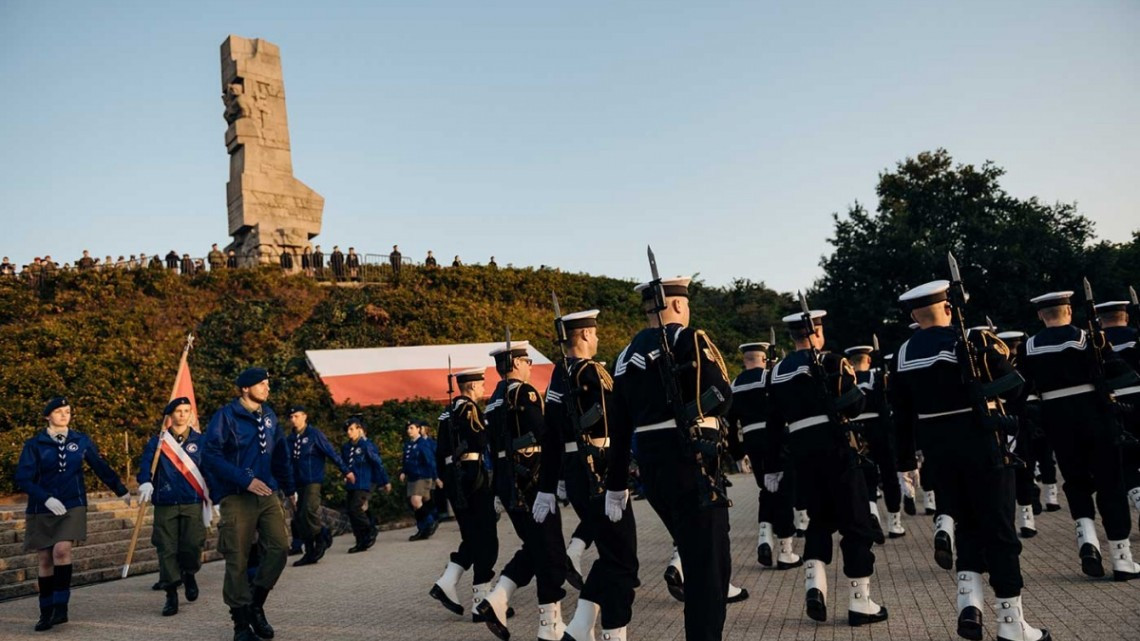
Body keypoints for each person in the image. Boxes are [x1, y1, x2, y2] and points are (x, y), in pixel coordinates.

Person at [892, 280, 1048, 641]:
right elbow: (1014, 387)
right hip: (982, 444)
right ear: (949, 308)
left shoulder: (902, 355)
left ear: (914, 314)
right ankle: (1011, 623)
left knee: (967, 527)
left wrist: (905, 463)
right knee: (999, 531)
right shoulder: (970, 340)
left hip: (938, 453)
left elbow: (900, 415)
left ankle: (969, 606)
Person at [606, 275, 733, 641]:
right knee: (710, 570)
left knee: (697, 558)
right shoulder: (687, 338)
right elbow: (722, 394)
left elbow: (619, 426)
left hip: (653, 469)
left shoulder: (623, 358)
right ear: (677, 304)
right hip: (692, 462)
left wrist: (616, 484)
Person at [765, 309, 887, 628]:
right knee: (855, 523)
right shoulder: (831, 361)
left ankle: (814, 586)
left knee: (819, 521)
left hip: (802, 454)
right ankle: (860, 602)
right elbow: (855, 405)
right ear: (817, 332)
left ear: (793, 336)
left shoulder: (776, 372)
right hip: (837, 448)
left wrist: (773, 465)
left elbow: (773, 424)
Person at [1019, 290, 1140, 580]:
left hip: (1058, 422)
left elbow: (1023, 391)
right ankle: (1122, 559)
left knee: (1075, 482)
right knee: (1110, 484)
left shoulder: (1028, 347)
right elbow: (1123, 374)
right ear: (1069, 311)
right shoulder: (1091, 338)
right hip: (1096, 417)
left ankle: (1087, 539)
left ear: (1040, 315)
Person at [544, 310, 640, 641]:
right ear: (585, 335)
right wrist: (618, 481)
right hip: (600, 471)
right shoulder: (592, 372)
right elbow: (617, 425)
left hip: (575, 472)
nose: (597, 338)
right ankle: (613, 633)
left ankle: (579, 628)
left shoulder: (558, 375)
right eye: (594, 333)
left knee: (611, 555)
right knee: (624, 562)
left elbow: (550, 436)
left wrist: (548, 485)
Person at [476, 339, 568, 641]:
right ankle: (550, 624)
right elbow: (544, 434)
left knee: (536, 545)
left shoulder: (494, 399)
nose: (530, 366)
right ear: (516, 363)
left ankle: (498, 597)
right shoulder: (523, 393)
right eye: (527, 361)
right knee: (551, 549)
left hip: (507, 481)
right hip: (530, 479)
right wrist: (558, 476)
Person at [15, 396, 131, 631]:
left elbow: (99, 466)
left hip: (72, 504)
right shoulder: (34, 444)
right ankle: (45, 611)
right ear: (47, 416)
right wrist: (45, 498)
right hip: (41, 507)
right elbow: (22, 478)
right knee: (45, 559)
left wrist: (120, 489)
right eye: (59, 411)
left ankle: (61, 607)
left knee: (61, 550)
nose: (64, 415)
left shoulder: (80, 440)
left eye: (67, 411)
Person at [201, 367, 295, 641]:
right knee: (237, 559)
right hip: (237, 495)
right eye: (261, 384)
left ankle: (255, 604)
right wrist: (244, 479)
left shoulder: (269, 416)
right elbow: (210, 455)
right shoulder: (226, 416)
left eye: (268, 383)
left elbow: (280, 455)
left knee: (279, 548)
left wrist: (290, 488)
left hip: (267, 493)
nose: (267, 388)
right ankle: (241, 625)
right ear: (245, 388)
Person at [430, 367, 503, 619]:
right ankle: (481, 601)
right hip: (471, 475)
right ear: (471, 386)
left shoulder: (446, 412)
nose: (483, 389)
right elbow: (480, 440)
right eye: (481, 384)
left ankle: (448, 581)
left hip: (454, 477)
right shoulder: (468, 408)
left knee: (472, 535)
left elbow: (439, 452)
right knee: (487, 537)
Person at [726, 342, 803, 570]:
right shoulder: (771, 377)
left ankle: (764, 537)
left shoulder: (734, 384)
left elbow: (730, 426)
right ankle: (785, 551)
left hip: (751, 441)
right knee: (784, 492)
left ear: (745, 360)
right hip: (776, 438)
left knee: (767, 489)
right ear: (763, 358)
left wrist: (738, 453)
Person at [137, 397, 210, 616]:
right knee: (166, 548)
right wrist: (145, 481)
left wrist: (215, 495)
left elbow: (210, 468)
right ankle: (171, 593)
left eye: (187, 410)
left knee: (193, 545)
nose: (182, 415)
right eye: (178, 411)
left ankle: (189, 573)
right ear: (170, 415)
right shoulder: (158, 442)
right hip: (166, 501)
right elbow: (146, 465)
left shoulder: (201, 441)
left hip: (192, 500)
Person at [845, 345, 905, 541]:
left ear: (850, 362)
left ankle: (872, 512)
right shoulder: (878, 378)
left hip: (856, 432)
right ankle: (894, 523)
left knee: (865, 476)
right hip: (880, 429)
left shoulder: (847, 381)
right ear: (869, 360)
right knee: (889, 474)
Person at [286, 405, 351, 566]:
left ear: (304, 416)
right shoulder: (290, 439)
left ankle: (321, 536)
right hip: (298, 481)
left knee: (309, 509)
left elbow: (331, 453)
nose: (294, 420)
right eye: (291, 417)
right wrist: (289, 486)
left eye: (297, 416)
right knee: (300, 517)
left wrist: (346, 471)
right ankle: (310, 551)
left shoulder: (314, 434)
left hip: (313, 479)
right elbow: (287, 463)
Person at [1096, 300, 1140, 519]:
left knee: (1125, 459)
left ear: (1100, 321)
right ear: (1126, 317)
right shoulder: (1136, 336)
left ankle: (1137, 493)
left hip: (1113, 404)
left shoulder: (1096, 343)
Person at [342, 415, 392, 552]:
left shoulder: (366, 445)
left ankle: (370, 529)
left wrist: (385, 481)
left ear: (359, 429)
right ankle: (360, 540)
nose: (349, 432)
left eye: (352, 429)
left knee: (356, 507)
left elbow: (377, 463)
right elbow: (345, 464)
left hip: (364, 482)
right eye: (347, 430)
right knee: (350, 511)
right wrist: (345, 474)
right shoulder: (346, 447)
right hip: (352, 483)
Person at [402, 421, 439, 540]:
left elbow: (430, 461)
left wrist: (436, 477)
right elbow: (406, 460)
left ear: (418, 429)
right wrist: (403, 472)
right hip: (412, 477)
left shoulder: (423, 443)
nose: (409, 430)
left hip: (422, 476)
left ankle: (430, 521)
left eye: (411, 428)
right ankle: (422, 529)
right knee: (419, 504)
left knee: (416, 501)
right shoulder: (408, 445)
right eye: (408, 428)